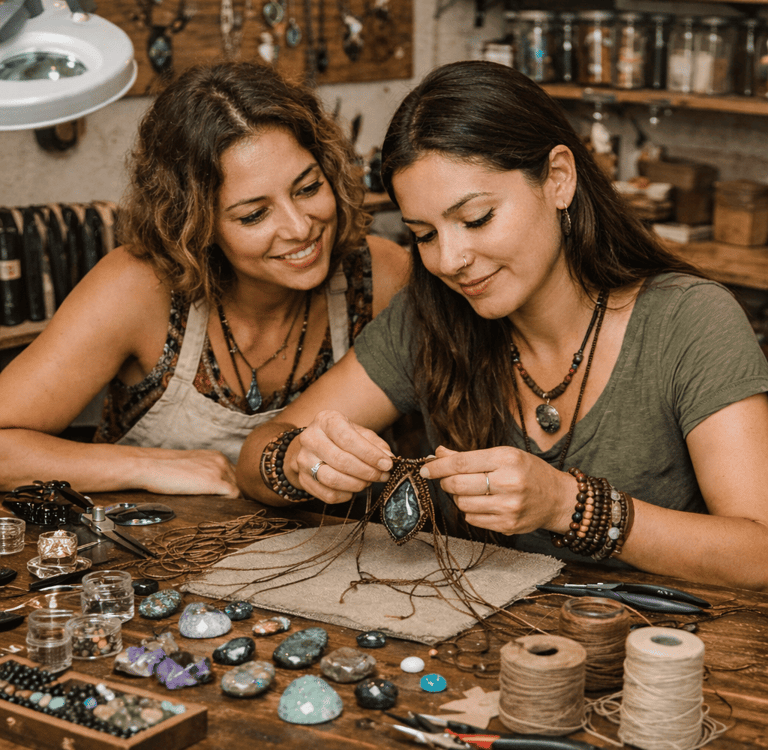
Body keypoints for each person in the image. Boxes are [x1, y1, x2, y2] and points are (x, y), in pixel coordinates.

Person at [237, 60, 768, 591]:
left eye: (476, 219)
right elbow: (257, 454)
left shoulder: (690, 321)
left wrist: (568, 506)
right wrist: (298, 461)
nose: (450, 260)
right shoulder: (430, 317)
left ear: (558, 179)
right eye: (424, 235)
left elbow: (759, 554)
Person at [0, 61, 408, 497]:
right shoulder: (138, 287)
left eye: (308, 188)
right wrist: (145, 465)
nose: (299, 227)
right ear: (195, 224)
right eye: (254, 214)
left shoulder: (381, 275)